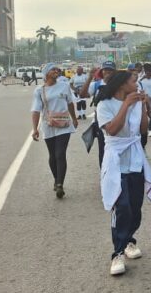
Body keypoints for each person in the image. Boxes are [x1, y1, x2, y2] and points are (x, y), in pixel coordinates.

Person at [97, 70, 151, 276]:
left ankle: (129, 240)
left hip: (135, 160)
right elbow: (112, 130)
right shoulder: (104, 105)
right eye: (133, 81)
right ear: (122, 85)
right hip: (116, 162)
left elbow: (142, 130)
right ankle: (117, 252)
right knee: (122, 207)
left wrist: (145, 107)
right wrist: (126, 105)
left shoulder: (137, 102)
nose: (136, 84)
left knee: (135, 207)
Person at [31, 63, 78, 199]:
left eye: (57, 69)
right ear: (46, 74)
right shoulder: (39, 90)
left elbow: (70, 103)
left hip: (64, 125)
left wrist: (74, 118)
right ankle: (56, 178)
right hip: (48, 125)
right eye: (53, 69)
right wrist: (35, 129)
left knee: (60, 153)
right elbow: (35, 110)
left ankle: (59, 184)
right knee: (52, 154)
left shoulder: (64, 86)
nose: (56, 71)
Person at [80, 61, 117, 169]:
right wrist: (90, 77)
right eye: (105, 70)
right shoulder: (96, 84)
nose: (108, 72)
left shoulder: (120, 85)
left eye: (110, 70)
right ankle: (105, 174)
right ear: (101, 72)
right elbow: (82, 94)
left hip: (118, 121)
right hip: (102, 124)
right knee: (103, 150)